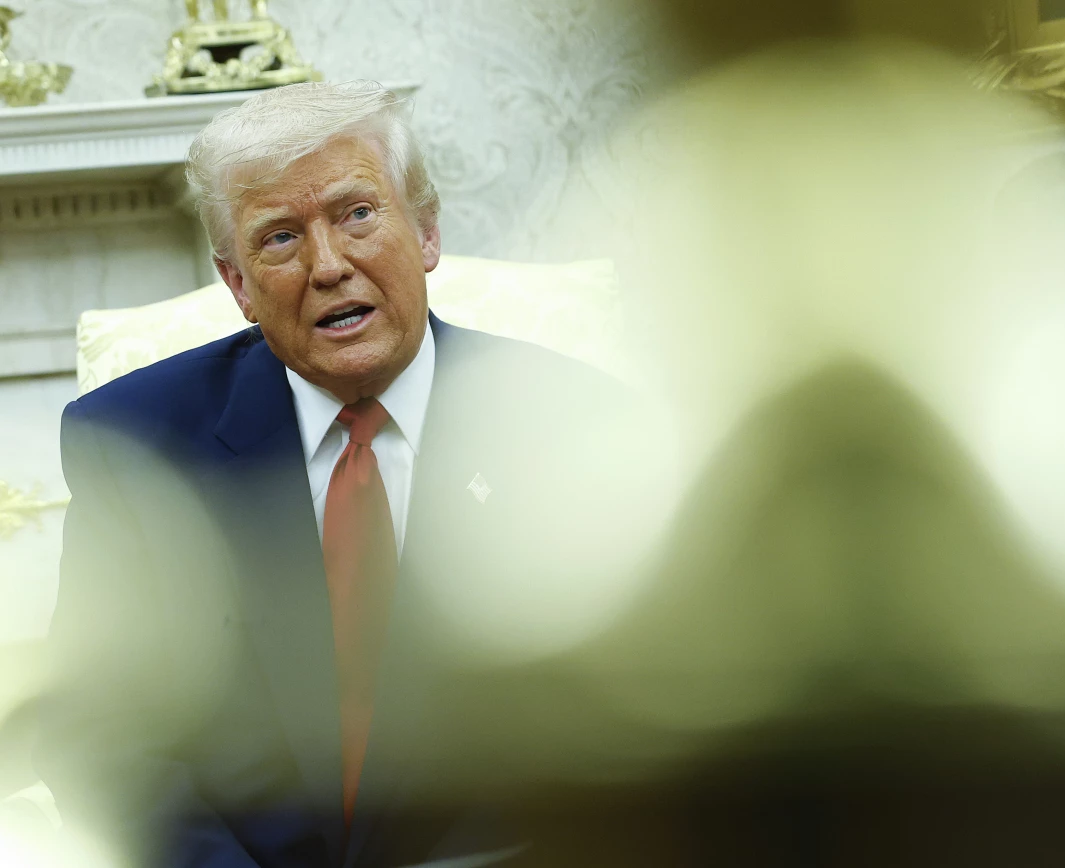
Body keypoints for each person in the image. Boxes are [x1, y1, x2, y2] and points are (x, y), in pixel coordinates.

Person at [35, 80, 643, 868]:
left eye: (357, 214)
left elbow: (622, 724)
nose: (328, 266)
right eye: (280, 237)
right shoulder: (135, 442)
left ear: (426, 232)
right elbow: (101, 732)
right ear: (238, 285)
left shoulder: (570, 424)